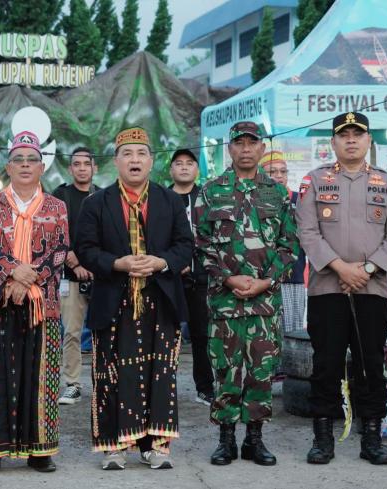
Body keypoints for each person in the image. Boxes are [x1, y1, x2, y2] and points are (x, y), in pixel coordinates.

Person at [75, 127, 193, 470]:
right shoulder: (96, 202)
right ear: (115, 161)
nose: (135, 160)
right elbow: (85, 249)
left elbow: (185, 246)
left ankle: (157, 445)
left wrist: (161, 262)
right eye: (127, 154)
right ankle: (115, 447)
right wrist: (117, 263)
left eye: (141, 153)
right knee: (112, 373)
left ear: (152, 161)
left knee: (160, 373)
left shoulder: (170, 200)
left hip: (160, 300)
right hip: (114, 299)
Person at [296, 112, 387, 465]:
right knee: (325, 364)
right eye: (343, 135)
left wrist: (368, 269)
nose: (350, 140)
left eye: (357, 134)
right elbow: (307, 232)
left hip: (371, 290)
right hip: (327, 289)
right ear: (333, 142)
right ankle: (323, 439)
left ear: (368, 140)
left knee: (370, 365)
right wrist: (342, 268)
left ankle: (372, 438)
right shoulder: (314, 181)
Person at [195, 122, 298, 467]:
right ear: (230, 149)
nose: (245, 149)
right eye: (239, 143)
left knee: (261, 372)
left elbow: (290, 245)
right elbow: (202, 244)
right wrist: (228, 278)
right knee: (225, 371)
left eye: (252, 143)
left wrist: (266, 282)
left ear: (262, 148)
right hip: (225, 301)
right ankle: (226, 440)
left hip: (264, 303)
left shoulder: (278, 194)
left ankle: (255, 439)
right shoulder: (211, 192)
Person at [0, 130, 69, 474]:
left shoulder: (57, 207)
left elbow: (59, 251)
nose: (25, 165)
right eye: (18, 160)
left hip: (41, 301)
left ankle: (40, 450)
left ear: (42, 168)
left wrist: (28, 280)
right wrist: (12, 275)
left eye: (32, 160)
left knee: (41, 376)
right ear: (7, 168)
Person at [52, 147, 99, 405]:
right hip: (70, 277)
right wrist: (75, 262)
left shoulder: (102, 195)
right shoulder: (61, 195)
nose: (82, 168)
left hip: (100, 277)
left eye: (86, 163)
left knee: (105, 332)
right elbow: (56, 233)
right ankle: (72, 384)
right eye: (77, 164)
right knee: (71, 332)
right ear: (70, 169)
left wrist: (94, 266)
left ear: (95, 168)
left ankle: (105, 382)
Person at [168, 148, 215, 406]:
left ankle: (205, 388)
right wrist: (176, 263)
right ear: (171, 169)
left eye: (189, 163)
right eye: (178, 163)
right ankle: (163, 387)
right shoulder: (162, 198)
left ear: (197, 170)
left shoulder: (207, 197)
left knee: (202, 334)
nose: (184, 167)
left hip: (202, 277)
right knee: (166, 333)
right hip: (169, 278)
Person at [260, 150, 309, 337]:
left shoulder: (300, 200)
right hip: (262, 276)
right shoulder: (254, 200)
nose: (279, 176)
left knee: (292, 331)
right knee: (265, 332)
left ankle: (289, 367)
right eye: (273, 172)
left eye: (283, 171)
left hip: (292, 274)